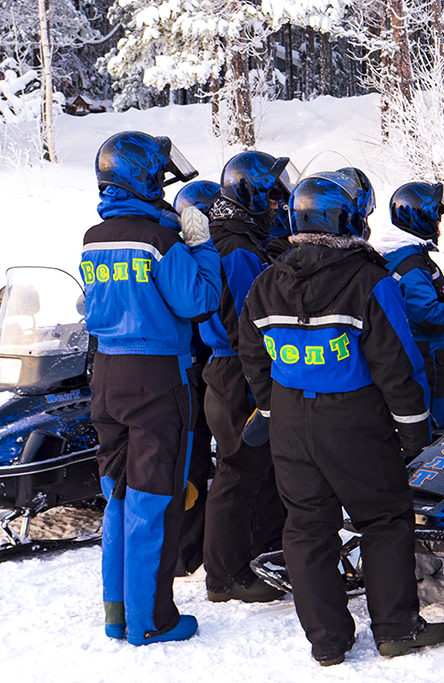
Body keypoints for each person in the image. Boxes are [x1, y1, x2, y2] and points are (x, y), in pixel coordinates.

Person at [238, 170, 444, 666]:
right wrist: (415, 429)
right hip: (353, 418)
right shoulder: (369, 281)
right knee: (384, 519)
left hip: (291, 416)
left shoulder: (267, 282)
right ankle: (396, 628)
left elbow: (250, 349)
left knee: (307, 527)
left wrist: (271, 407)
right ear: (351, 219)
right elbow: (398, 363)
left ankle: (327, 640)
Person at [81, 131, 222, 646]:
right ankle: (152, 620)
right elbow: (198, 301)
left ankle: (117, 614)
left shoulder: (93, 237)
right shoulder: (161, 240)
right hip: (158, 378)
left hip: (106, 378)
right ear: (143, 178)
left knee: (117, 495)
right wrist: (202, 248)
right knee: (155, 499)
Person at [199, 151, 295, 604]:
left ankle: (258, 558)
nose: (278, 204)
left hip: (232, 366)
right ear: (250, 193)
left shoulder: (240, 237)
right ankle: (224, 575)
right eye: (272, 196)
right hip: (237, 368)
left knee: (255, 467)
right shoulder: (236, 247)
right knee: (237, 470)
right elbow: (250, 317)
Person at [380, 182, 444, 428]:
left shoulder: (397, 255)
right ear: (422, 218)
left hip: (417, 355)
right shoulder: (411, 264)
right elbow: (429, 317)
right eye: (438, 220)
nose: (440, 229)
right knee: (428, 422)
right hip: (428, 357)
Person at [172, 179, 223, 575]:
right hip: (192, 369)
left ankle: (194, 545)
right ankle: (185, 551)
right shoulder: (183, 254)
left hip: (200, 368)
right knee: (188, 461)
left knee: (197, 461)